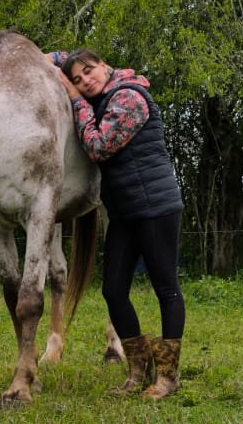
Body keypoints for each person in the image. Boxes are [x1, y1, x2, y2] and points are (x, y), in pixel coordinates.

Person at [47, 46, 185, 400]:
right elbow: (60, 56)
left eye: (89, 72)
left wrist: (75, 97)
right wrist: (39, 57)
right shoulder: (104, 95)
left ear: (105, 66)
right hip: (124, 210)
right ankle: (138, 371)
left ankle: (168, 376)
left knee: (165, 289)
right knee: (113, 290)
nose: (84, 81)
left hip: (155, 207)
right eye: (76, 78)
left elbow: (97, 145)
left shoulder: (128, 98)